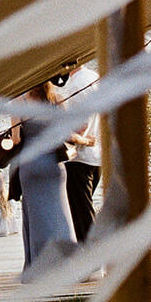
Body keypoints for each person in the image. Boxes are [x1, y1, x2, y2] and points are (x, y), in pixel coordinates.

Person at [11, 81, 76, 274]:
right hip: (52, 163)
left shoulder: (18, 101)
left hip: (30, 164)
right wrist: (86, 140)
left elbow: (16, 139)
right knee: (59, 212)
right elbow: (66, 134)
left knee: (35, 215)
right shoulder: (56, 99)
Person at [64, 63, 101, 243]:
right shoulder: (94, 77)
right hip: (97, 155)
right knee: (85, 208)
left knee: (81, 212)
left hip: (80, 156)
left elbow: (81, 125)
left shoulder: (75, 85)